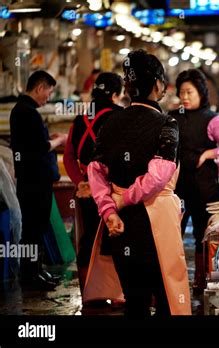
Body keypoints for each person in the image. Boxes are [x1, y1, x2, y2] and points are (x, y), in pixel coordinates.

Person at [84, 49, 191, 316]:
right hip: (157, 224)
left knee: (135, 301)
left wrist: (109, 210)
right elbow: (160, 173)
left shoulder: (109, 123)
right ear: (157, 84)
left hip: (121, 226)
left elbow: (95, 170)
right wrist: (126, 198)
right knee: (167, 298)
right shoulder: (167, 123)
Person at [169, 69, 219, 293]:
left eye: (189, 92)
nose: (185, 97)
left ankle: (203, 281)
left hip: (204, 187)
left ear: (201, 92)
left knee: (204, 234)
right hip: (176, 188)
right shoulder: (172, 117)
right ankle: (171, 284)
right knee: (171, 234)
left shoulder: (212, 119)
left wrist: (206, 155)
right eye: (181, 93)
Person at [63, 72, 124, 300]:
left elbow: (69, 157)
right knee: (116, 237)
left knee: (88, 240)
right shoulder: (120, 116)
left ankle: (89, 294)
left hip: (86, 191)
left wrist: (81, 182)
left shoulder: (79, 120)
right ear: (116, 95)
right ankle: (118, 294)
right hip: (112, 188)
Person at [9, 70, 68, 290]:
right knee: (33, 229)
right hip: (34, 181)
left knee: (35, 228)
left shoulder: (21, 110)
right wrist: (58, 140)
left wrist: (46, 140)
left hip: (30, 179)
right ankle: (30, 275)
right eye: (49, 92)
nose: (48, 98)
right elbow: (40, 148)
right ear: (40, 88)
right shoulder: (29, 112)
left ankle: (36, 271)